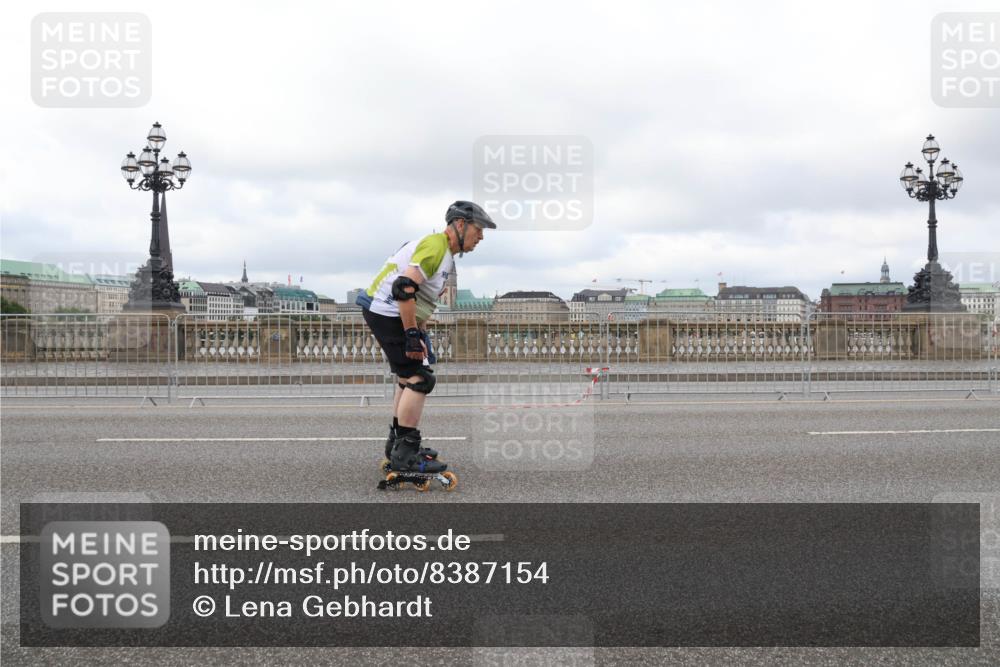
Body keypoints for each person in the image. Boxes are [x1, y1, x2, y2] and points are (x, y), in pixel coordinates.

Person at [357, 201, 495, 476]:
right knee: (420, 379)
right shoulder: (436, 246)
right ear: (460, 225)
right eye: (478, 229)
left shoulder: (445, 254)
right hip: (386, 311)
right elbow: (403, 288)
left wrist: (418, 330)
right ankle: (405, 452)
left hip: (386, 312)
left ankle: (398, 443)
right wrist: (410, 335)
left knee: (407, 377)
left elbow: (419, 298)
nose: (481, 237)